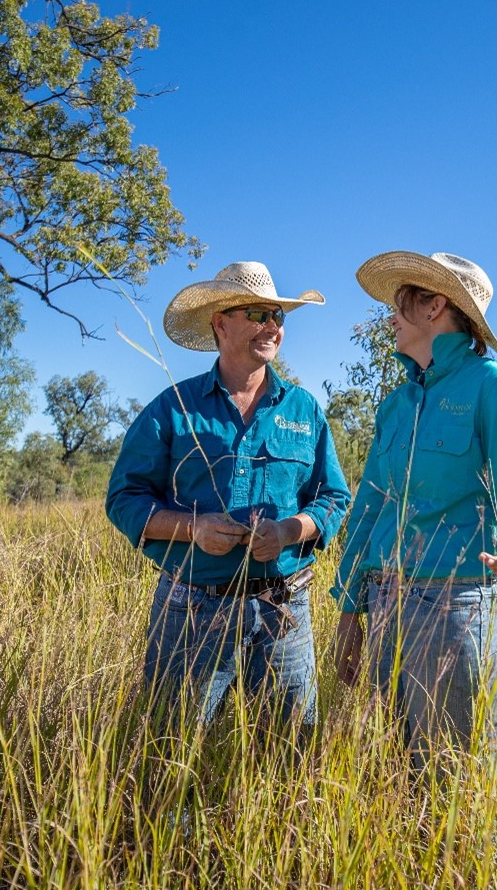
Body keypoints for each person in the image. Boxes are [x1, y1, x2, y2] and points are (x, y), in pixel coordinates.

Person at [332, 250, 497, 767]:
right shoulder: (396, 405)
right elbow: (369, 510)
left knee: (453, 787)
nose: (391, 316)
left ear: (435, 305)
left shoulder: (493, 386)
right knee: (396, 778)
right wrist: (350, 609)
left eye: (400, 303)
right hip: (385, 607)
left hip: (459, 613)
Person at [106, 261, 351, 732]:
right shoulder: (174, 407)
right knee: (173, 749)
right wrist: (193, 528)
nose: (272, 326)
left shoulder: (304, 409)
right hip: (192, 609)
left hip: (285, 611)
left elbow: (334, 498)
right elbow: (124, 499)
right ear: (221, 322)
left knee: (289, 753)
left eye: (279, 316)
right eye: (258, 313)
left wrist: (287, 531)